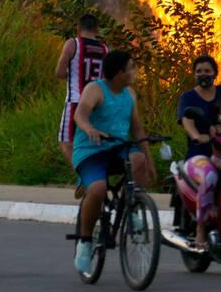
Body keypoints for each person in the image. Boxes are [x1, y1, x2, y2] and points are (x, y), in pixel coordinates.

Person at [71, 50, 156, 274]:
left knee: (137, 158)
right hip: (91, 151)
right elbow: (80, 114)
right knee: (98, 189)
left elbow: (136, 128)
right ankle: (85, 241)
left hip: (117, 147)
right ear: (120, 73)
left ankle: (132, 206)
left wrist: (150, 160)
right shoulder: (95, 89)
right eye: (132, 67)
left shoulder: (130, 94)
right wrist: (90, 129)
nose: (135, 71)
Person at [180, 97, 221, 252]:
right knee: (210, 176)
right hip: (212, 161)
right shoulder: (214, 130)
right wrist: (202, 137)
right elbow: (215, 150)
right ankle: (200, 229)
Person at [55, 14, 109, 171]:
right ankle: (96, 175)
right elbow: (105, 78)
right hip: (96, 104)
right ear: (97, 29)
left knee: (66, 143)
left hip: (75, 101)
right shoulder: (105, 49)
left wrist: (72, 74)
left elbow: (59, 72)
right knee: (90, 143)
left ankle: (85, 177)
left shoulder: (73, 44)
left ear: (78, 28)